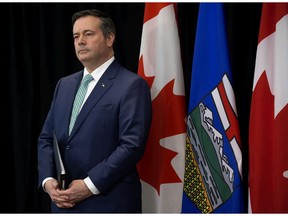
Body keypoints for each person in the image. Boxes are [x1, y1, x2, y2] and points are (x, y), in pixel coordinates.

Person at [37, 8, 152, 213]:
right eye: (76, 36)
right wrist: (48, 181)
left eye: (88, 34)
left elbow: (131, 146)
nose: (80, 41)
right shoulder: (64, 85)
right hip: (63, 203)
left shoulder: (131, 85)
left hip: (108, 202)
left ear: (109, 38)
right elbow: (47, 137)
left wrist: (89, 186)